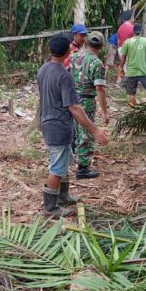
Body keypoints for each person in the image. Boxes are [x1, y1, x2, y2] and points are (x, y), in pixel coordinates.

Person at [37, 33, 109, 217]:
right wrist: (95, 129)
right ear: (68, 50)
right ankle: (50, 208)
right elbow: (74, 108)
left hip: (49, 122)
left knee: (64, 161)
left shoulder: (43, 69)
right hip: (58, 125)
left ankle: (63, 196)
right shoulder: (64, 75)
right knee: (57, 167)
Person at [69, 31, 109, 179]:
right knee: (86, 132)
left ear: (86, 43)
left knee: (75, 130)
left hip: (72, 99)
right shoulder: (97, 64)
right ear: (101, 46)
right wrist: (105, 111)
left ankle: (73, 158)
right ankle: (83, 169)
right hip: (86, 100)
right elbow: (99, 89)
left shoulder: (74, 56)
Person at [119, 23, 146, 106]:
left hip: (132, 72)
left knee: (131, 93)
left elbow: (123, 58)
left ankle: (134, 111)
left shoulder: (127, 42)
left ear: (133, 32)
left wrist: (121, 68)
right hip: (144, 71)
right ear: (141, 32)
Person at [116, 11, 134, 84]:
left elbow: (118, 40)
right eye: (133, 17)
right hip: (129, 49)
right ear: (130, 18)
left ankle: (120, 80)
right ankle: (127, 84)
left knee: (123, 65)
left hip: (121, 49)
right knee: (129, 67)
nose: (134, 19)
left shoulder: (120, 27)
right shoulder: (132, 27)